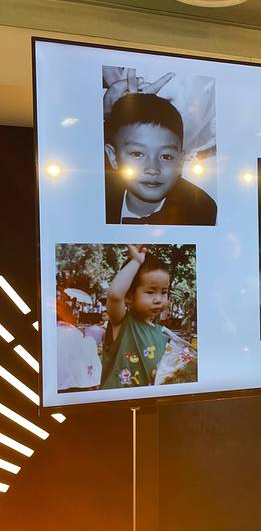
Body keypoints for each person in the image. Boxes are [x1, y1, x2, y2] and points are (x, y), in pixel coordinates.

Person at [104, 92, 217, 225]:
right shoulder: (97, 196)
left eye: (166, 156)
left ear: (180, 162)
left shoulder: (201, 209)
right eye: (137, 154)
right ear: (113, 157)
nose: (153, 169)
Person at [101, 245, 171, 388]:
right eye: (150, 292)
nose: (158, 299)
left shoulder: (163, 334)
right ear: (128, 296)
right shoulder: (122, 323)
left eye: (164, 292)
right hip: (118, 400)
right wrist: (136, 262)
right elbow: (114, 296)